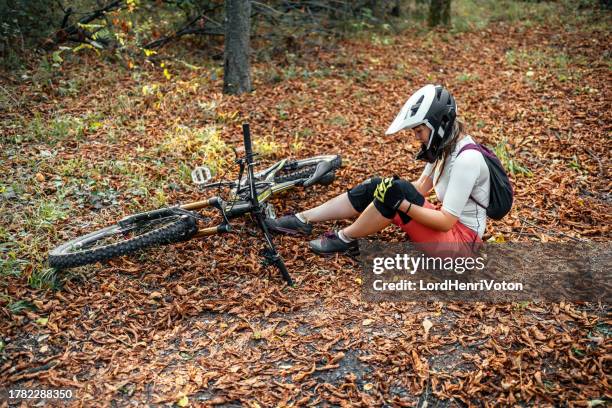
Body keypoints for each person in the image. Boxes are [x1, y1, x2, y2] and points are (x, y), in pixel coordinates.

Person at [265, 84, 491, 255]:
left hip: (461, 246)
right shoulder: (444, 146)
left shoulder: (466, 159)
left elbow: (445, 222)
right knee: (381, 186)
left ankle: (345, 239)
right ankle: (303, 219)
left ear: (439, 124)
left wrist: (400, 202)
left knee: (394, 193)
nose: (417, 138)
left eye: (419, 131)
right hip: (450, 235)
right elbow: (422, 187)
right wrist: (387, 190)